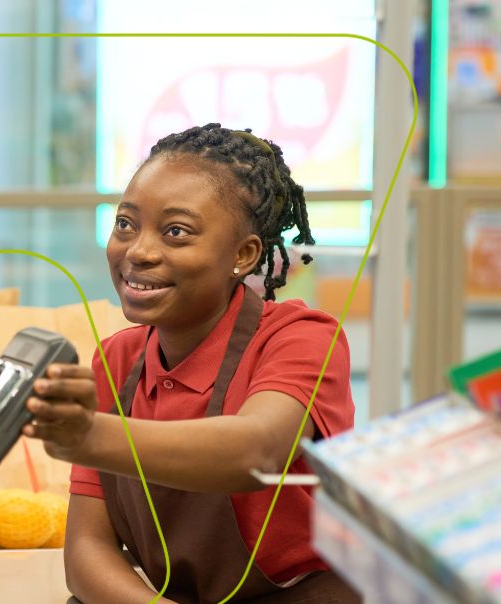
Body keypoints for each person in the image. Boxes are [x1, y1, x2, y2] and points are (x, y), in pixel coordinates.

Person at [25, 124, 360, 603]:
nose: (138, 251)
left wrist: (90, 436)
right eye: (125, 223)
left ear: (242, 256)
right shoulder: (117, 361)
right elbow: (88, 550)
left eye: (176, 232)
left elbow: (254, 453)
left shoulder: (302, 339)